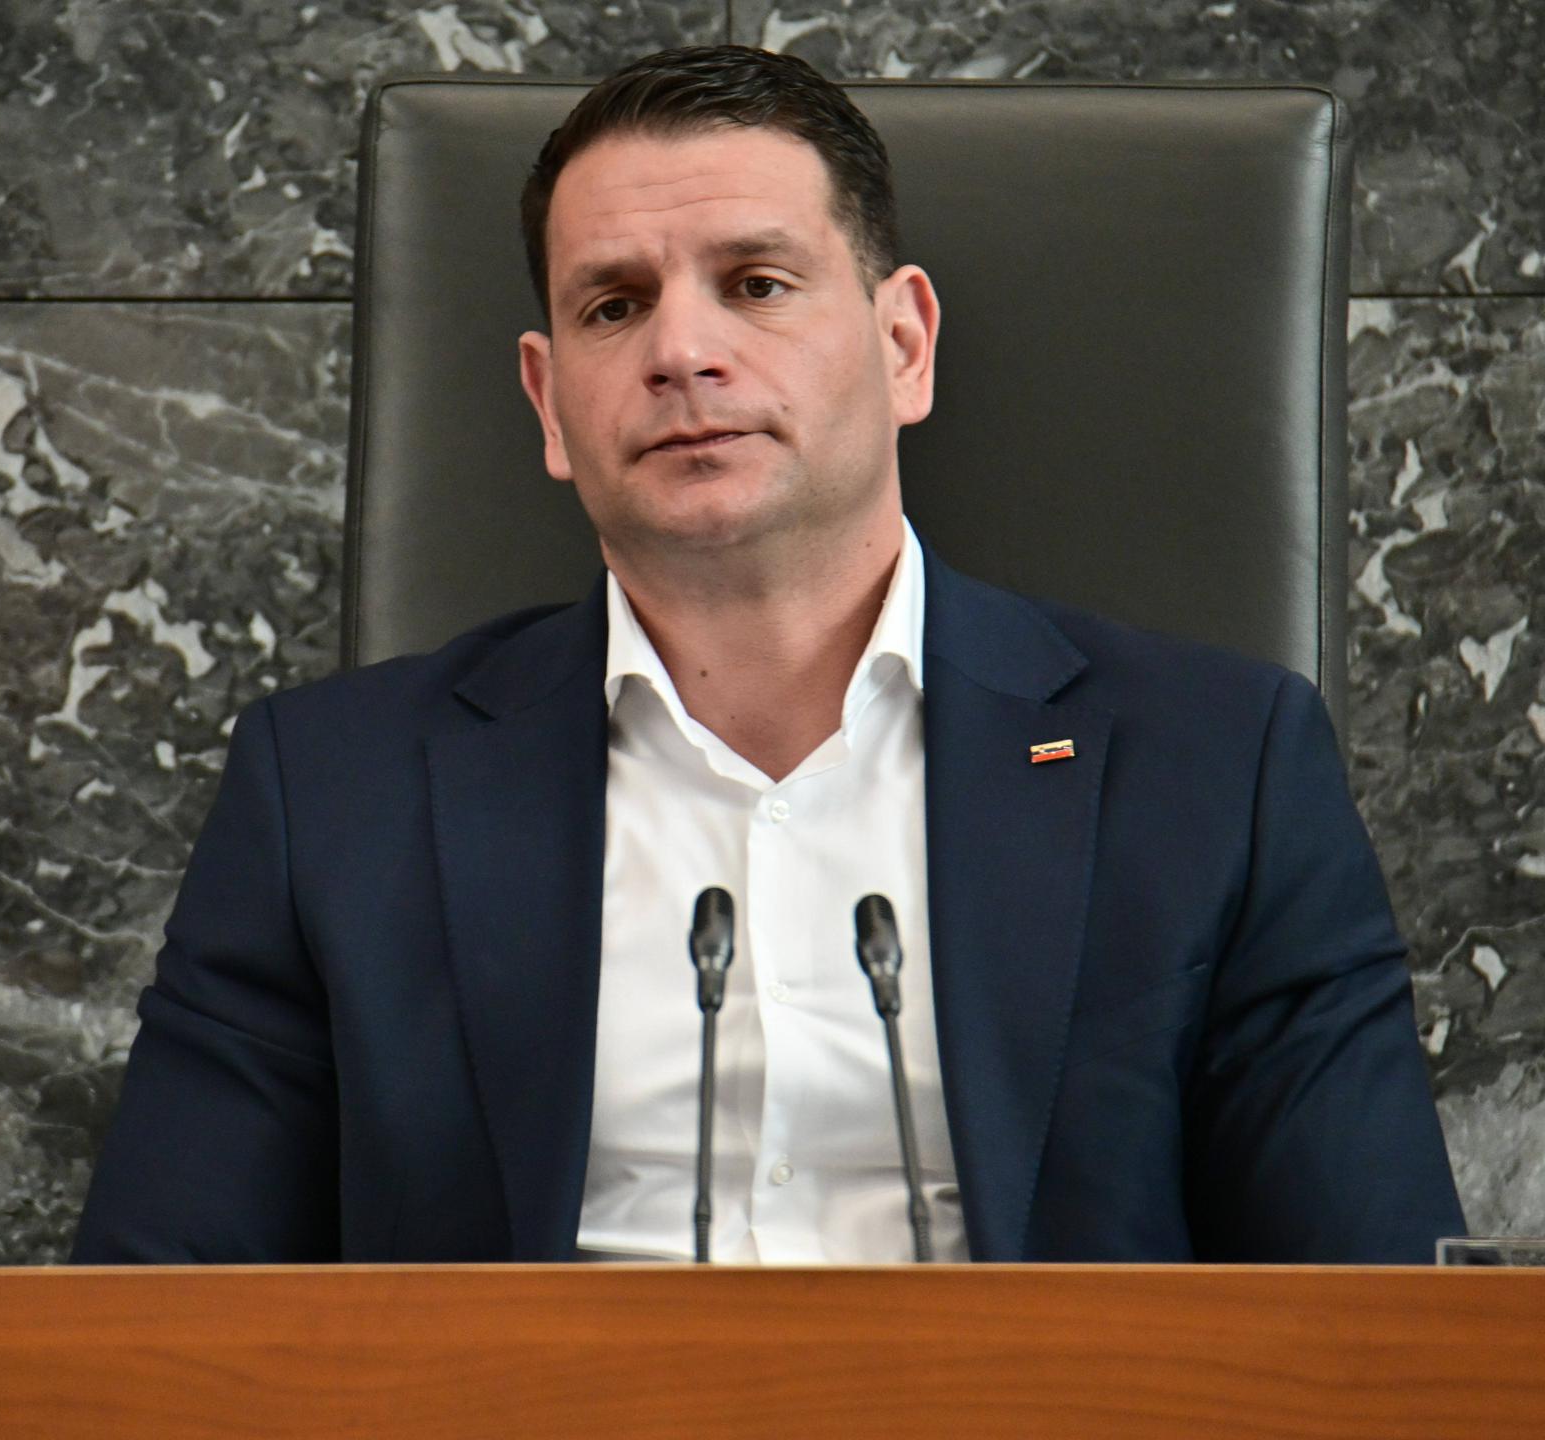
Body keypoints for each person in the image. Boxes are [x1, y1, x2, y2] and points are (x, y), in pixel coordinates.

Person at [72, 46, 1463, 1265]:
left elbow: (1381, 1322)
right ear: (549, 404)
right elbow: (154, 1323)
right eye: (613, 306)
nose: (682, 349)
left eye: (757, 283)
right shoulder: (334, 796)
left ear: (903, 345)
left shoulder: (1217, 771)